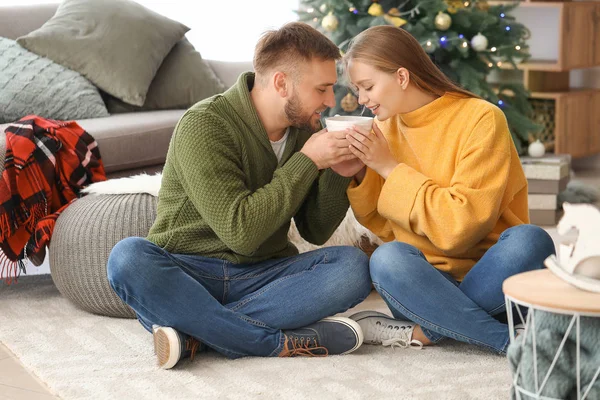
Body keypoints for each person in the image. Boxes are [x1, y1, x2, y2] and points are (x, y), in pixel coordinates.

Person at [106, 22, 372, 369]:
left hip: (263, 275)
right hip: (188, 273)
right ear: (281, 83)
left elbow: (315, 230)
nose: (330, 101)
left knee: (352, 267)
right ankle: (271, 342)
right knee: (127, 258)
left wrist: (340, 173)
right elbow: (241, 233)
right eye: (321, 89)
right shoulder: (205, 124)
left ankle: (194, 335)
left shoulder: (305, 132)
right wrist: (308, 162)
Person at [339, 25, 556, 355]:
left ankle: (429, 330)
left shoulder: (481, 118)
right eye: (357, 89)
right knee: (386, 259)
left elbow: (460, 230)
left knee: (531, 239)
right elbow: (381, 225)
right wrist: (359, 176)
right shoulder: (382, 128)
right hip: (423, 286)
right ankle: (507, 341)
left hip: (492, 277)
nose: (361, 99)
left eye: (367, 86)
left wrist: (388, 168)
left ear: (401, 76)